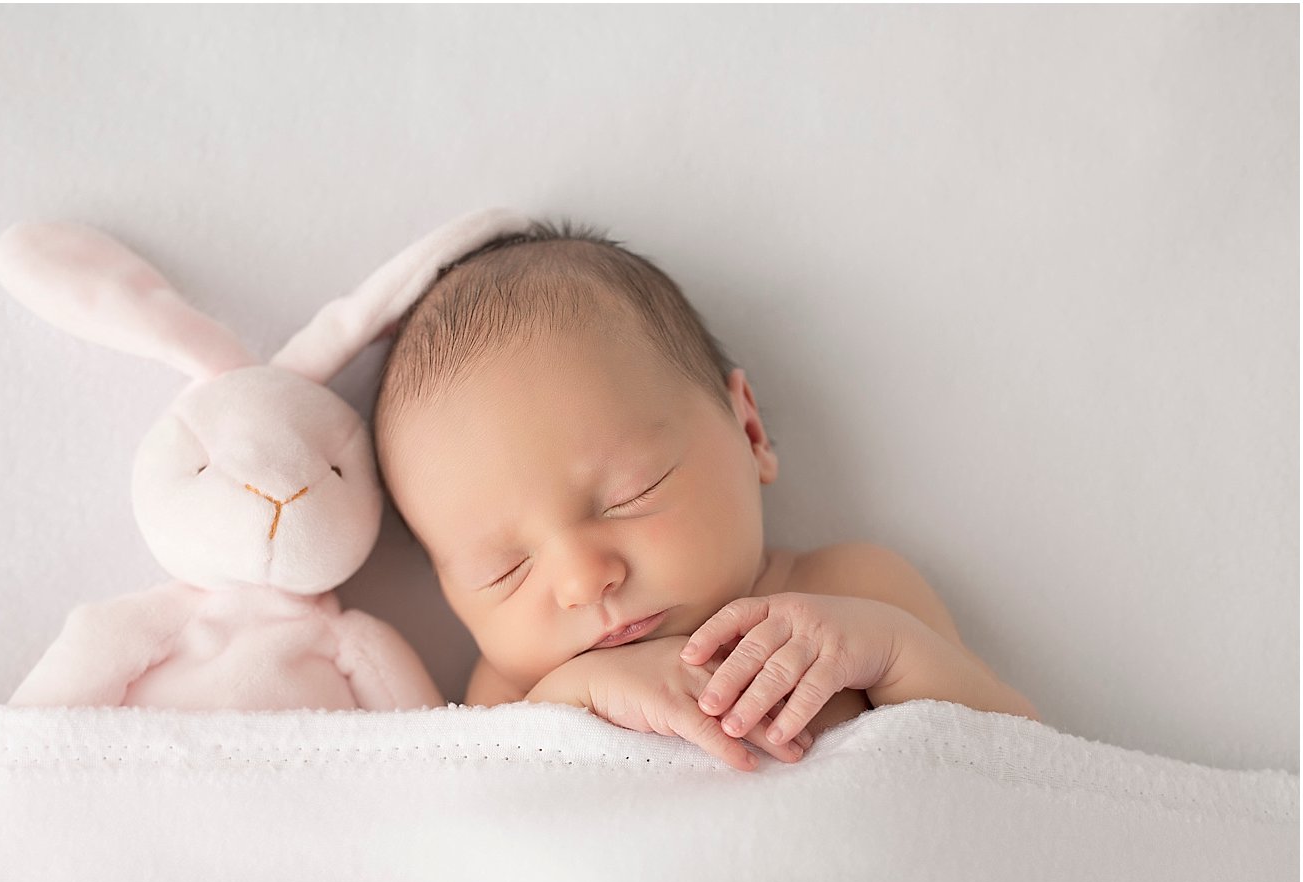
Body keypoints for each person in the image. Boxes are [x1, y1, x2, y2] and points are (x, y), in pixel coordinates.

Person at [373, 220, 1039, 770]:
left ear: (748, 431)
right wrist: (574, 699)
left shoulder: (853, 590)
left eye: (632, 492)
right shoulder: (511, 697)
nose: (582, 579)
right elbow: (487, 829)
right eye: (503, 568)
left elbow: (1026, 768)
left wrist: (893, 652)